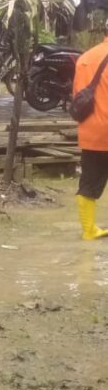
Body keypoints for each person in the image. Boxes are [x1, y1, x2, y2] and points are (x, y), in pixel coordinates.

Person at [74, 21, 108, 240]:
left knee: (88, 181)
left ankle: (88, 231)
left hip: (90, 130)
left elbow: (77, 94)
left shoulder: (85, 57)